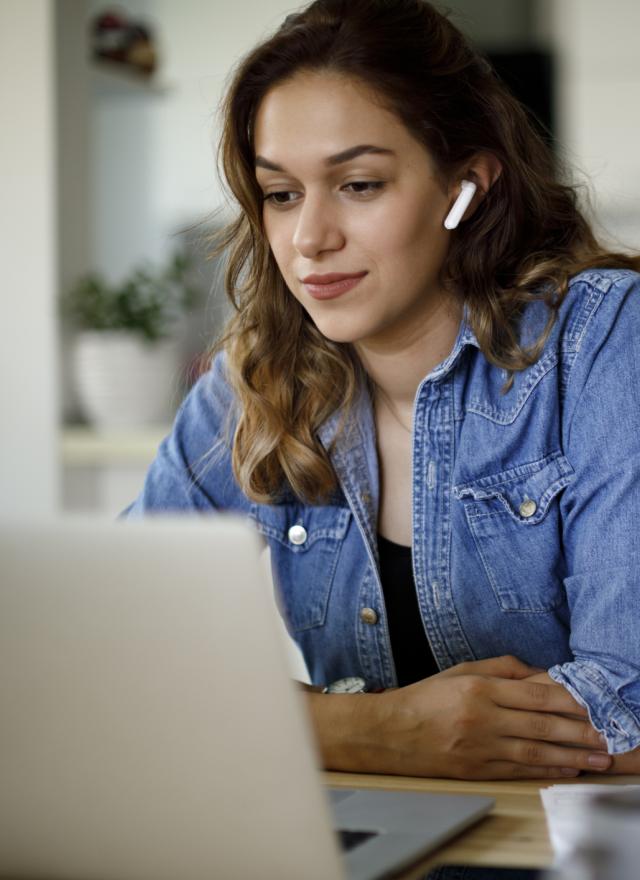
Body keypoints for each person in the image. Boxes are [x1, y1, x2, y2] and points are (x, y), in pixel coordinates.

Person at [125, 0, 640, 783]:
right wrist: (368, 730)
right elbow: (108, 664)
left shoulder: (604, 341)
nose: (309, 240)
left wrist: (279, 723)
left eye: (359, 184)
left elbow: (628, 709)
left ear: (466, 186)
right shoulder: (252, 384)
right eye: (282, 194)